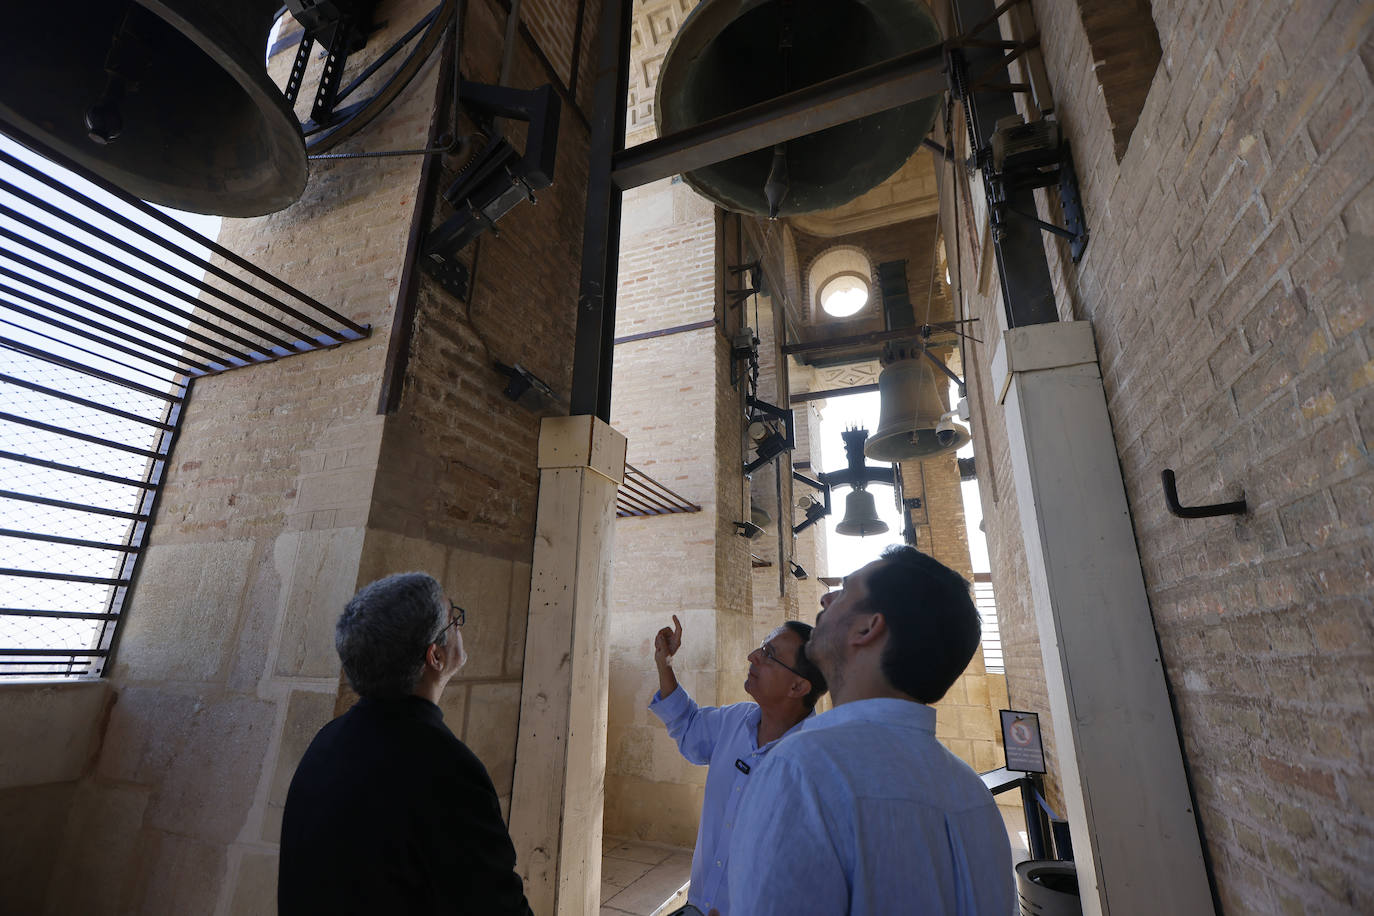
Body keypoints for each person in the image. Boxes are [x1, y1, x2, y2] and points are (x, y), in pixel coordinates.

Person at [722, 546, 1015, 916]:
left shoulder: (801, 769)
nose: (826, 598)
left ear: (867, 628)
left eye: (844, 591)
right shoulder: (972, 794)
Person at [279, 572, 533, 915]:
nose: (460, 627)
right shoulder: (448, 770)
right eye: (453, 620)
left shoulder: (327, 742)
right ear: (436, 657)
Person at [649, 613, 827, 916]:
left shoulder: (816, 766)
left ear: (798, 687)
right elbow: (689, 725)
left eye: (769, 655)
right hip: (698, 906)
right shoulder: (734, 720)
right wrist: (664, 663)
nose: (753, 656)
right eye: (762, 647)